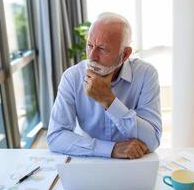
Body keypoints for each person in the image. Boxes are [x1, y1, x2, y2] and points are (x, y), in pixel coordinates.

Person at [47, 12, 162, 159]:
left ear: (125, 54)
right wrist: (111, 149)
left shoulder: (146, 74)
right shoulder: (72, 77)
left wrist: (108, 100)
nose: (92, 56)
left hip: (133, 162)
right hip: (89, 160)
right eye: (90, 45)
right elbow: (55, 137)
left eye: (102, 49)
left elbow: (152, 140)